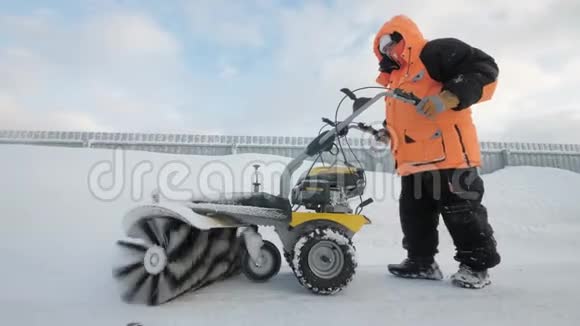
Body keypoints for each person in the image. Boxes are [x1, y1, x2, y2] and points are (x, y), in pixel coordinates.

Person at [372, 15, 501, 288]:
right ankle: (422, 262)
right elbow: (403, 116)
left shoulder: (435, 52)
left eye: (390, 42)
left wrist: (450, 96)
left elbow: (484, 69)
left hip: (449, 155)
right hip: (413, 162)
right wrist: (387, 131)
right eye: (382, 48)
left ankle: (476, 266)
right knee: (413, 214)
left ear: (404, 37)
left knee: (461, 210)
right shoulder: (396, 80)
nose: (388, 50)